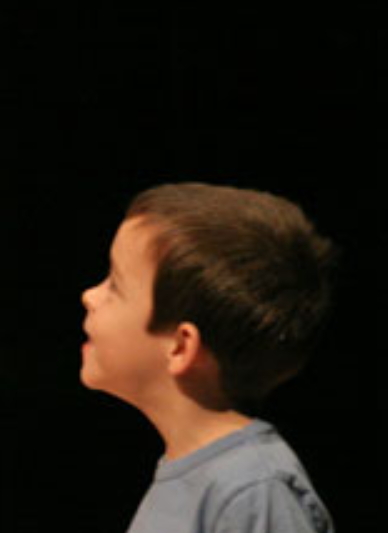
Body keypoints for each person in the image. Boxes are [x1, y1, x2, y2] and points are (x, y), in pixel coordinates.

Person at [80, 182, 336, 533]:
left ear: (180, 346)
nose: (89, 296)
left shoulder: (252, 489)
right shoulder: (204, 476)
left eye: (115, 286)